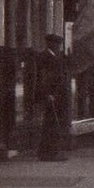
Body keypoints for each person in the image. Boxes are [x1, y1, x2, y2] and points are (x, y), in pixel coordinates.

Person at [32, 34, 69, 162]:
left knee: (52, 123)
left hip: (56, 95)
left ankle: (50, 151)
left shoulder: (55, 56)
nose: (59, 47)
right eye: (57, 44)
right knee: (50, 124)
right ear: (51, 44)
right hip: (50, 96)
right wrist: (48, 94)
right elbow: (43, 78)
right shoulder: (45, 57)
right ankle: (48, 153)